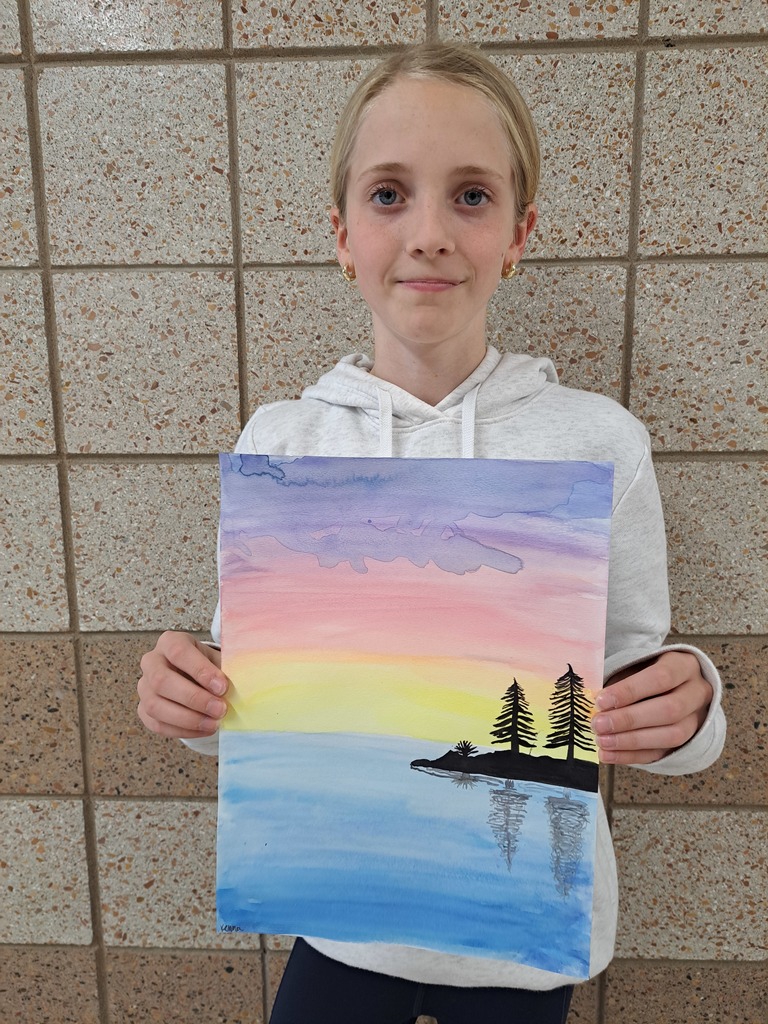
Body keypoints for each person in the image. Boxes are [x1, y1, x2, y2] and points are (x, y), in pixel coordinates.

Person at [137, 43, 726, 1024]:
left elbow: (635, 694)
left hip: (519, 950)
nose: (428, 234)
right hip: (338, 927)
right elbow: (248, 709)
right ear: (339, 235)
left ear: (518, 233)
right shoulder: (284, 442)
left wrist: (690, 706)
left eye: (469, 196)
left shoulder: (596, 443)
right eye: (387, 195)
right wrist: (193, 696)